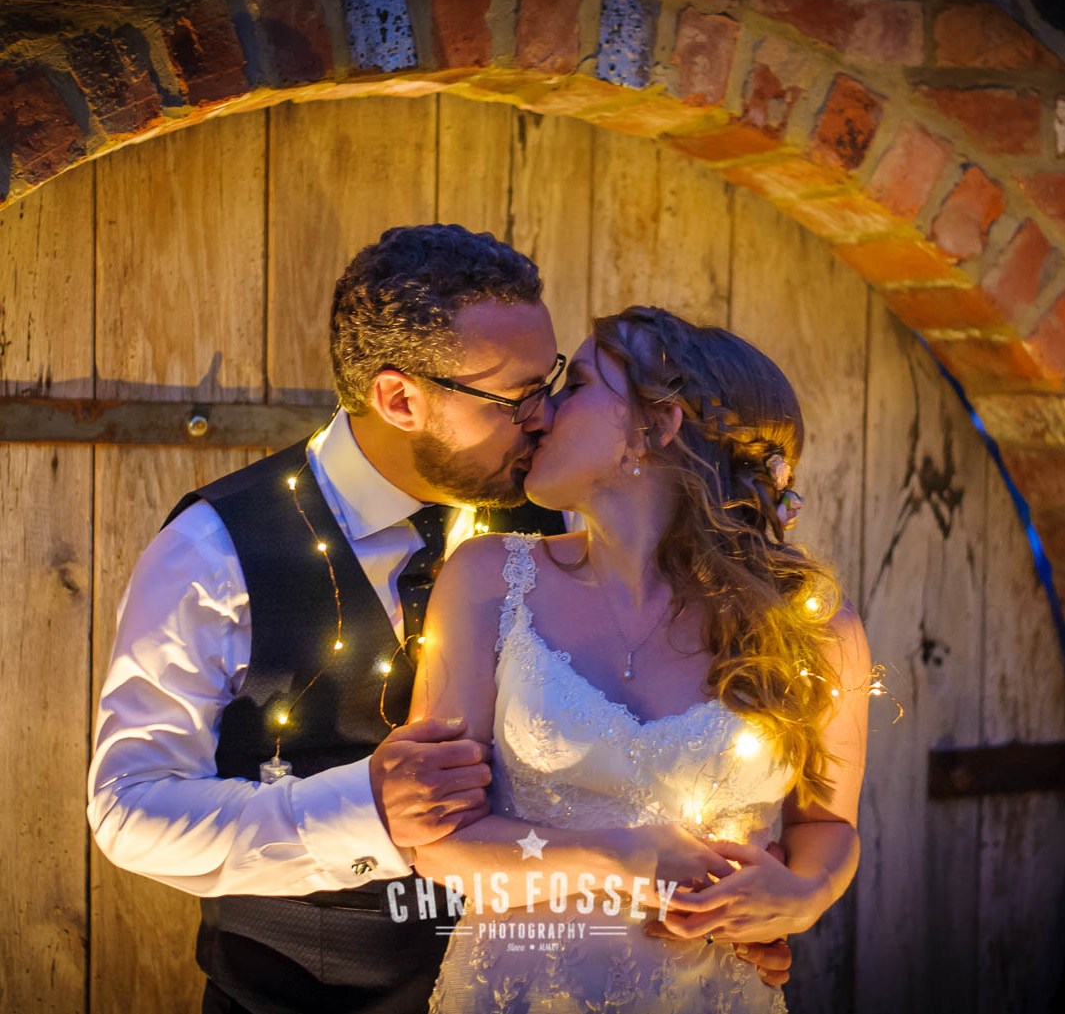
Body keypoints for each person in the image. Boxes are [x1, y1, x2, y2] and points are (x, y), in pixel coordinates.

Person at [88, 226, 789, 1014]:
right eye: (516, 397)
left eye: (552, 382)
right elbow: (128, 809)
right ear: (400, 400)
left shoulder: (565, 512)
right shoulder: (215, 551)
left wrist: (754, 899)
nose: (544, 416)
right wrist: (363, 809)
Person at [411, 306, 871, 1013]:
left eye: (576, 386)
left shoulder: (813, 626)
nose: (539, 415)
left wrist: (803, 896)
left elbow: (826, 827)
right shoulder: (487, 579)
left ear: (655, 426)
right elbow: (436, 843)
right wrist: (615, 858)